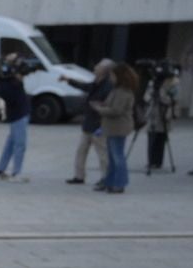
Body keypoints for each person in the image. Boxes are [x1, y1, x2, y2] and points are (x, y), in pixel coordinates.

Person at [63, 58, 113, 185]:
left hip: (99, 124)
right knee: (81, 150)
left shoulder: (107, 86)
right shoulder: (96, 82)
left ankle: (106, 177)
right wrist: (69, 81)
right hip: (89, 123)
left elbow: (106, 104)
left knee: (102, 153)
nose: (95, 68)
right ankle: (79, 176)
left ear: (104, 71)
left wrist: (97, 105)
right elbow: (85, 86)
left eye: (98, 66)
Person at [94, 62, 138, 195]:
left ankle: (119, 183)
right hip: (112, 127)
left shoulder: (124, 92)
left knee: (118, 156)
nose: (111, 78)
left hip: (118, 127)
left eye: (113, 75)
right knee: (113, 157)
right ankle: (110, 181)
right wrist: (102, 104)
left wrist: (99, 109)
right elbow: (111, 105)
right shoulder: (116, 89)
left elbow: (116, 110)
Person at [0, 63, 32, 182]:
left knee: (10, 145)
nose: (21, 76)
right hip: (18, 116)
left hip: (16, 116)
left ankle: (0, 170)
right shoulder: (11, 85)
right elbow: (14, 97)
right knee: (20, 145)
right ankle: (16, 173)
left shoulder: (5, 84)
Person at [145, 64, 179, 172]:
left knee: (161, 138)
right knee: (151, 137)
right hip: (153, 114)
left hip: (164, 114)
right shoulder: (152, 83)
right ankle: (151, 161)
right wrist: (152, 94)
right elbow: (146, 97)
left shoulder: (173, 83)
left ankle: (158, 161)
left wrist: (162, 94)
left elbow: (173, 99)